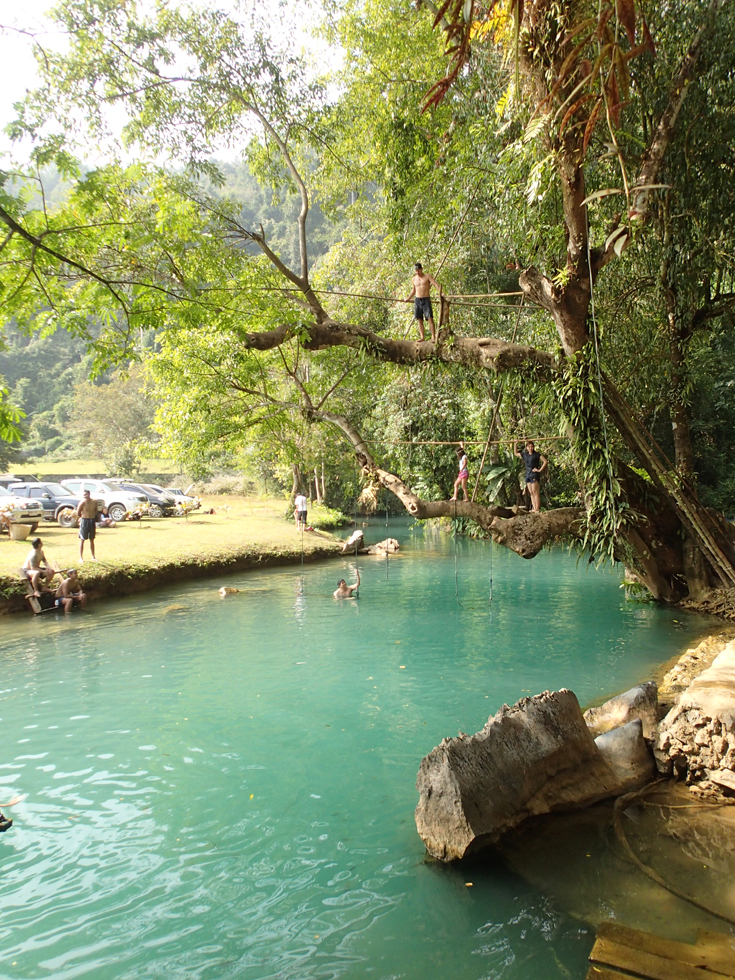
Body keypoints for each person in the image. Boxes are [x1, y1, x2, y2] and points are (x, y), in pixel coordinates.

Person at [406, 262, 442, 342]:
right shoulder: (414, 279)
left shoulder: (427, 276)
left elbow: (435, 284)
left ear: (421, 269)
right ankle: (422, 337)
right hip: (418, 300)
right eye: (416, 271)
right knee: (419, 319)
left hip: (426, 299)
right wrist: (408, 298)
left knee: (430, 318)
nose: (417, 272)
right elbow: (414, 290)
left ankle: (433, 336)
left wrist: (441, 292)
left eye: (419, 270)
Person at [515, 440, 548, 512]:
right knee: (531, 493)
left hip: (534, 475)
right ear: (526, 447)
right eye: (529, 447)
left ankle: (537, 509)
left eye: (532, 446)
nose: (530, 448)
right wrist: (515, 444)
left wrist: (539, 470)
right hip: (528, 475)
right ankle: (534, 508)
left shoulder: (536, 454)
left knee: (535, 492)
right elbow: (516, 453)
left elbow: (545, 461)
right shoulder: (525, 455)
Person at [76, 490, 99, 561]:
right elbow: (78, 513)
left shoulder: (94, 502)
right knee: (82, 539)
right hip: (84, 521)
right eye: (84, 495)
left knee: (92, 539)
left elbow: (96, 511)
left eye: (86, 494)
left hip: (92, 520)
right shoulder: (82, 502)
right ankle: (81, 558)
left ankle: (93, 557)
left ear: (89, 494)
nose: (85, 496)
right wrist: (81, 518)